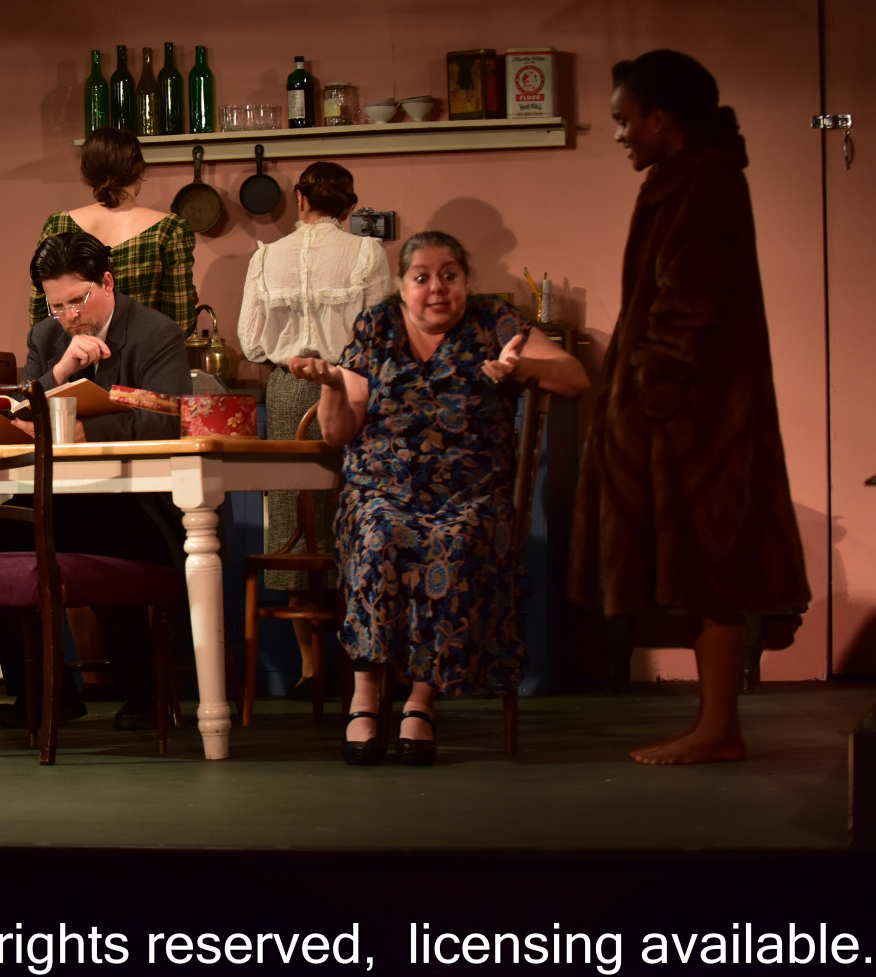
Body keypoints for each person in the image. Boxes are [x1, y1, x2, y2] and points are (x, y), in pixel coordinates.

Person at [570, 50, 810, 766]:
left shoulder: (704, 182)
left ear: (660, 117)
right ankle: (716, 725)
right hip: (688, 405)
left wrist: (654, 389)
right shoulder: (689, 178)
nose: (619, 135)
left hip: (696, 411)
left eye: (624, 120)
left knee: (712, 561)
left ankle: (718, 728)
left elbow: (689, 301)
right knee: (705, 564)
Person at [289, 232, 588, 765]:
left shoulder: (494, 322)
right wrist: (333, 383)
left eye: (449, 275)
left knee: (453, 540)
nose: (436, 288)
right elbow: (338, 433)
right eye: (421, 277)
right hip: (380, 492)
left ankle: (420, 703)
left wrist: (522, 368)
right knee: (379, 535)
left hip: (469, 496)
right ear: (402, 285)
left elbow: (574, 376)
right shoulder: (377, 326)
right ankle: (365, 699)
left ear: (466, 281)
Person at [0, 230, 192, 731]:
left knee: (104, 526)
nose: (69, 315)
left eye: (78, 300)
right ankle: (43, 693)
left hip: (140, 502)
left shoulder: (155, 333)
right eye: (58, 306)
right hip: (64, 498)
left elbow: (169, 420)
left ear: (107, 283)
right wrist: (57, 374)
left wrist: (83, 429)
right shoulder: (45, 337)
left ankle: (146, 692)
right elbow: (19, 413)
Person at [238, 161, 392, 700]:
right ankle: (363, 666)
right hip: (350, 388)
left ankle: (310, 669)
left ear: (300, 199)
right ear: (349, 206)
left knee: (294, 524)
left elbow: (250, 342)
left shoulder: (266, 257)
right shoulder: (367, 252)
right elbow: (381, 335)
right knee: (358, 518)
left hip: (288, 390)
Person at [27, 127, 198, 336]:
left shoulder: (58, 224)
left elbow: (38, 317)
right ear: (139, 170)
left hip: (74, 353)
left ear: (87, 173)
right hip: (143, 354)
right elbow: (180, 323)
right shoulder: (168, 230)